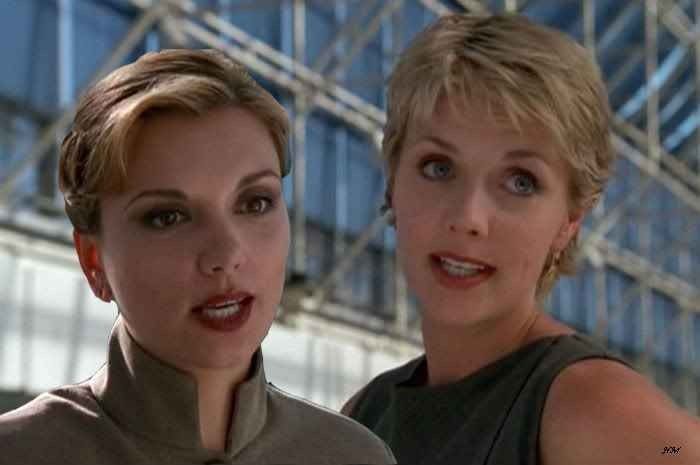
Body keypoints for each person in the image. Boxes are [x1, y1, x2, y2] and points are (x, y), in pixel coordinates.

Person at [0, 48, 394, 465]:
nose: (225, 255)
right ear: (94, 262)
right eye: (167, 217)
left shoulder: (355, 457)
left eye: (255, 203)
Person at [342, 12, 700, 465]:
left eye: (520, 182)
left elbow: (677, 451)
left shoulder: (585, 407)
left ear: (570, 220)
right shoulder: (366, 413)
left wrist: (661, 449)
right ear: (393, 181)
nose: (468, 218)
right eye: (438, 167)